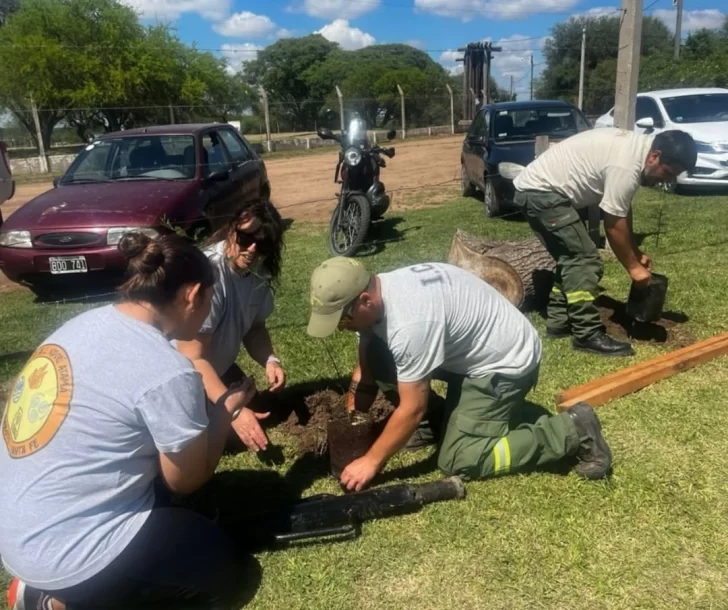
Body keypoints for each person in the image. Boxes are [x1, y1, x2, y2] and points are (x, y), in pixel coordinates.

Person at [1, 232, 258, 610]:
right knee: (223, 565)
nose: (209, 315)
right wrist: (223, 412)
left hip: (18, 528)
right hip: (70, 556)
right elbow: (185, 481)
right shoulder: (169, 371)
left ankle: (49, 584)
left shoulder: (84, 325)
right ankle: (56, 601)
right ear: (192, 295)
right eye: (210, 300)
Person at [306, 257, 613, 492]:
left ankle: (572, 431)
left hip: (504, 366)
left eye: (344, 320)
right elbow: (367, 368)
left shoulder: (408, 323)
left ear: (364, 300)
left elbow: (412, 408)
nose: (343, 327)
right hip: (468, 354)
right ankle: (440, 423)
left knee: (460, 459)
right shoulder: (378, 295)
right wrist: (353, 418)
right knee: (379, 354)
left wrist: (371, 461)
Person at [513, 127, 697, 357]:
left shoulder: (636, 152)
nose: (665, 181)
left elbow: (620, 210)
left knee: (572, 259)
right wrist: (633, 268)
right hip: (540, 193)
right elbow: (613, 225)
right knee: (585, 260)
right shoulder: (626, 166)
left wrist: (636, 253)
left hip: (541, 192)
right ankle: (586, 335)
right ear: (655, 156)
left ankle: (559, 323)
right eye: (667, 173)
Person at [176, 198, 286, 453]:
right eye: (246, 239)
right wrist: (233, 411)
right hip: (183, 375)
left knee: (258, 407)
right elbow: (191, 357)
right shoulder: (209, 275)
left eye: (264, 244)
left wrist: (270, 359)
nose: (252, 250)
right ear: (232, 230)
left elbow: (255, 327)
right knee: (212, 440)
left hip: (215, 366)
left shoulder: (259, 273)